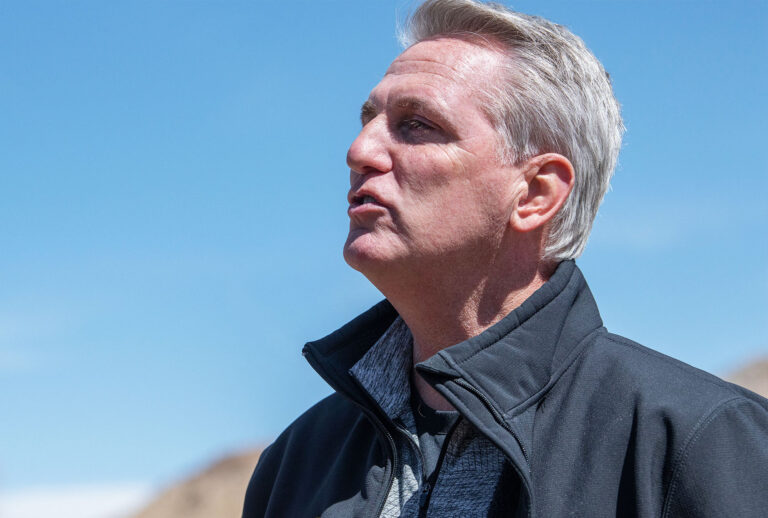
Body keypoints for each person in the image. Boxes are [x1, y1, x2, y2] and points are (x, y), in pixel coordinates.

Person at [242, 0, 768, 516]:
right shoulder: (296, 463)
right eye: (368, 119)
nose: (359, 151)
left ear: (536, 192)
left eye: (417, 124)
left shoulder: (701, 443)